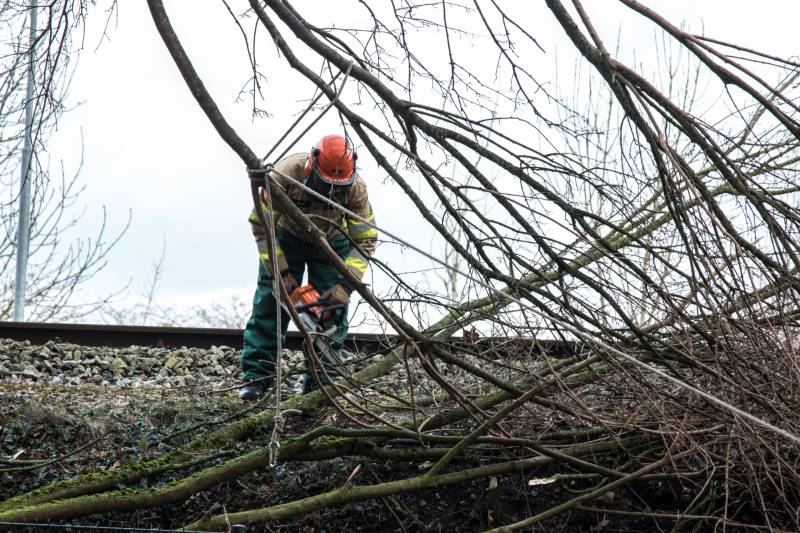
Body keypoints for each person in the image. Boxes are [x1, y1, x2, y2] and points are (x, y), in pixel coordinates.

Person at [239, 134, 378, 400]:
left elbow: (365, 239)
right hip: (286, 237)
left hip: (331, 243)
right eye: (325, 184)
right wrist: (281, 273)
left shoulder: (356, 189)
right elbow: (261, 225)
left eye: (337, 187)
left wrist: (344, 286)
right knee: (270, 303)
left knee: (330, 315)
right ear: (311, 166)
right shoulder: (285, 174)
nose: (330, 191)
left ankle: (321, 387)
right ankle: (257, 378)